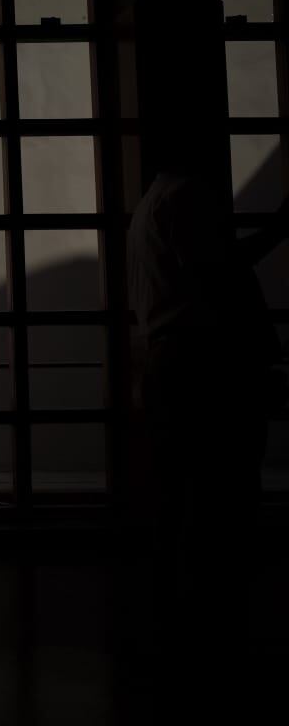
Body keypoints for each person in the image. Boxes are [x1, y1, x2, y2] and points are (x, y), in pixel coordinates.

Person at [127, 144, 289, 689]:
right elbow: (218, 275)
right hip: (203, 363)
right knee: (223, 487)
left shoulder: (153, 201)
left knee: (182, 488)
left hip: (168, 359)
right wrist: (280, 228)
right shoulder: (189, 198)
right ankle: (215, 615)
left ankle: (178, 611)